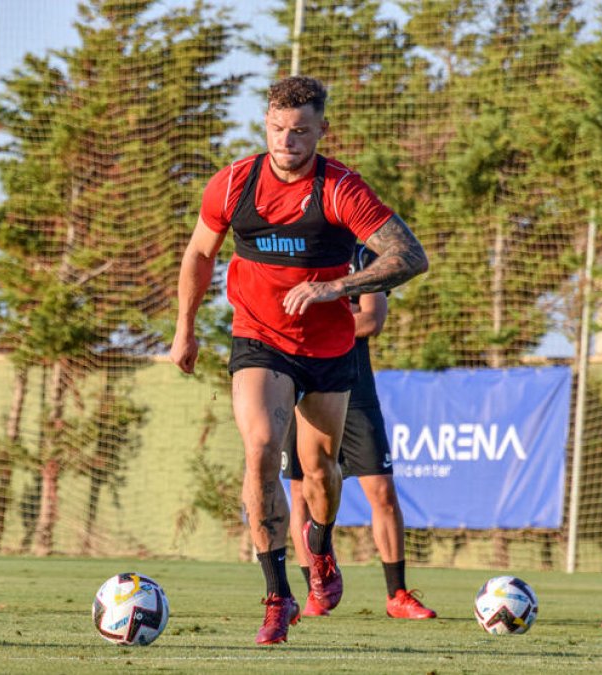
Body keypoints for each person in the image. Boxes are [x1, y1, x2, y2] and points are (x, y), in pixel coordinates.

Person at [170, 75, 428, 645]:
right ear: (267, 125)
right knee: (261, 448)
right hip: (258, 339)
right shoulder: (234, 182)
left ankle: (322, 544)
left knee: (320, 473)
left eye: (301, 131)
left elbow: (410, 256)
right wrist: (184, 330)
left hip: (329, 349)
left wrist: (337, 286)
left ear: (320, 132)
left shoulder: (341, 190)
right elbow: (198, 253)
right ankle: (277, 597)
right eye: (278, 129)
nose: (287, 141)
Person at [283, 245, 435, 621]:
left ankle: (397, 594)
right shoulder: (295, 247)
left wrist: (318, 315)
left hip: (353, 387)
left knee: (381, 490)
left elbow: (371, 321)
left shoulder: (366, 257)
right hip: (297, 381)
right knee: (301, 490)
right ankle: (315, 592)